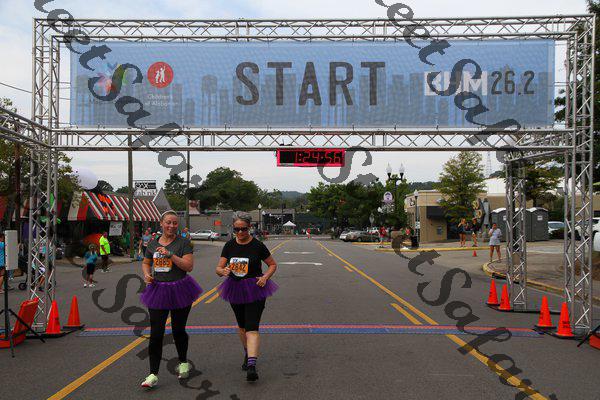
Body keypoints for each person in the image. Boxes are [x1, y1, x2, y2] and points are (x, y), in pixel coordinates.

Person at [140, 210, 203, 389]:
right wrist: (147, 274)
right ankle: (153, 374)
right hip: (158, 290)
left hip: (179, 289)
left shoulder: (184, 243)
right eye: (168, 222)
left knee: (178, 330)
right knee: (156, 332)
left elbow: (188, 266)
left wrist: (170, 255)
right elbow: (146, 262)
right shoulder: (152, 243)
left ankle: (183, 362)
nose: (171, 226)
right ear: (161, 223)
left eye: (175, 223)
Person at [216, 211, 278, 382]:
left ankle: (251, 365)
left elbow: (272, 265)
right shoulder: (229, 246)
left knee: (252, 326)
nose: (240, 232)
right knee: (242, 326)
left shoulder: (258, 246)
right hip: (235, 288)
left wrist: (265, 277)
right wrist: (223, 271)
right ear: (233, 228)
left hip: (255, 289)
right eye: (237, 229)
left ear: (249, 227)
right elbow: (218, 268)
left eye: (243, 229)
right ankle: (247, 352)